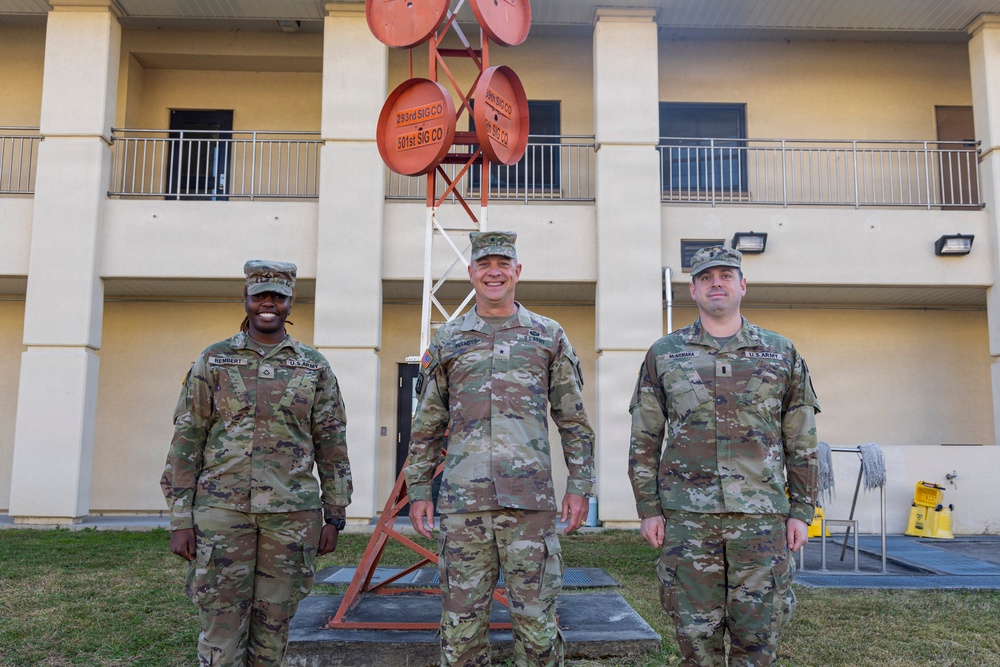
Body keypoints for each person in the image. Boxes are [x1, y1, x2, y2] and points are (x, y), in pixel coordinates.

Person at [404, 231, 596, 667]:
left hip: (530, 506)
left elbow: (572, 419)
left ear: (517, 272)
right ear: (471, 273)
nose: (494, 272)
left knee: (537, 624)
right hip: (464, 505)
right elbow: (428, 424)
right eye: (485, 264)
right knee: (462, 626)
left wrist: (581, 485)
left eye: (503, 264)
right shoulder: (449, 339)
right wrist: (418, 490)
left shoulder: (548, 335)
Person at [628, 246, 819, 667]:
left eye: (727, 275)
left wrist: (802, 511)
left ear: (742, 285)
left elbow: (802, 440)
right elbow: (644, 438)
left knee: (759, 643)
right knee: (696, 644)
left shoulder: (780, 352)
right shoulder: (663, 354)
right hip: (687, 523)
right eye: (707, 277)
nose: (717, 283)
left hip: (762, 522)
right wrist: (648, 509)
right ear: (693, 290)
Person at [161, 259, 353, 667]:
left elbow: (332, 442)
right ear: (245, 299)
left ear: (290, 303)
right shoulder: (214, 360)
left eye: (278, 297)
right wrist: (181, 519)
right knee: (221, 629)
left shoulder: (313, 366)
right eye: (260, 295)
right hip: (221, 514)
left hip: (292, 516)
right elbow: (187, 439)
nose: (269, 304)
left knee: (274, 629)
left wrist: (334, 517)